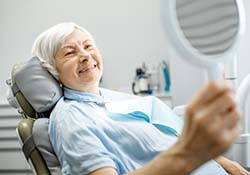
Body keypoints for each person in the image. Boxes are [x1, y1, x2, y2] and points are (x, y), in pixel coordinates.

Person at [31, 22, 249, 175]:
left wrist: (228, 164)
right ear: (53, 71)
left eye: (88, 46)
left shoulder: (109, 100)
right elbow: (186, 148)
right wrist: (189, 152)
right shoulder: (71, 118)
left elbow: (172, 138)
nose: (85, 55)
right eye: (70, 52)